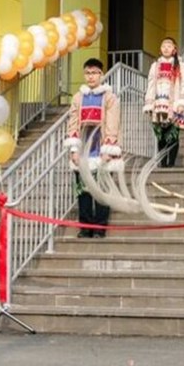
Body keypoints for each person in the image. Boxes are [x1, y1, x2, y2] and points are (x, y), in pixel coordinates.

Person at [66, 58, 121, 238]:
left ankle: (99, 227)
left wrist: (108, 149)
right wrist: (74, 149)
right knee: (83, 191)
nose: (91, 77)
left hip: (101, 149)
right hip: (84, 152)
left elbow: (113, 124)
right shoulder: (78, 98)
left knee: (102, 191)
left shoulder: (109, 97)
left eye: (94, 73)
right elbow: (73, 124)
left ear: (101, 75)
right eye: (88, 73)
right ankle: (85, 226)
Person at [143, 37, 184, 168]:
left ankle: (171, 163)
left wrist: (181, 101)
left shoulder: (180, 66)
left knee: (173, 135)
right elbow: (151, 84)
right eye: (163, 46)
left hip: (174, 103)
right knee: (161, 135)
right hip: (159, 103)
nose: (166, 48)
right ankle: (162, 163)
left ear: (174, 49)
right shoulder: (155, 66)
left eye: (169, 46)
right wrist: (149, 102)